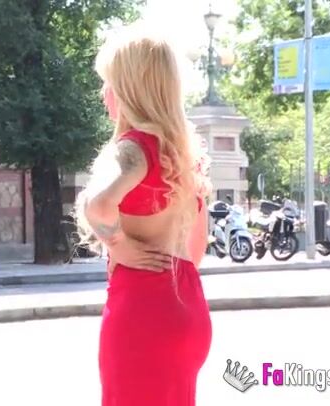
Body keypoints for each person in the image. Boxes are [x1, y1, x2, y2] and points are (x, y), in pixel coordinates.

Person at [74, 24, 212, 406]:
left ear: (130, 89)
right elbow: (196, 249)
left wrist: (118, 244)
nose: (104, 93)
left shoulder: (131, 149)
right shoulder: (184, 156)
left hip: (142, 313)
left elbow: (98, 205)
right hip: (187, 310)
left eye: (109, 82)